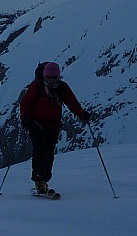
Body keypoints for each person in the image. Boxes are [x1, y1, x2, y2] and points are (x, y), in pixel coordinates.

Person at [20, 62, 91, 195]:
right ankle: (39, 180)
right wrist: (25, 119)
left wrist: (81, 113)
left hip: (52, 125)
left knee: (49, 152)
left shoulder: (63, 88)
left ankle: (44, 179)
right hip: (35, 123)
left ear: (59, 77)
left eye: (54, 77)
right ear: (45, 77)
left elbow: (72, 102)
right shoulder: (37, 87)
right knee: (40, 148)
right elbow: (25, 103)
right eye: (49, 77)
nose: (52, 80)